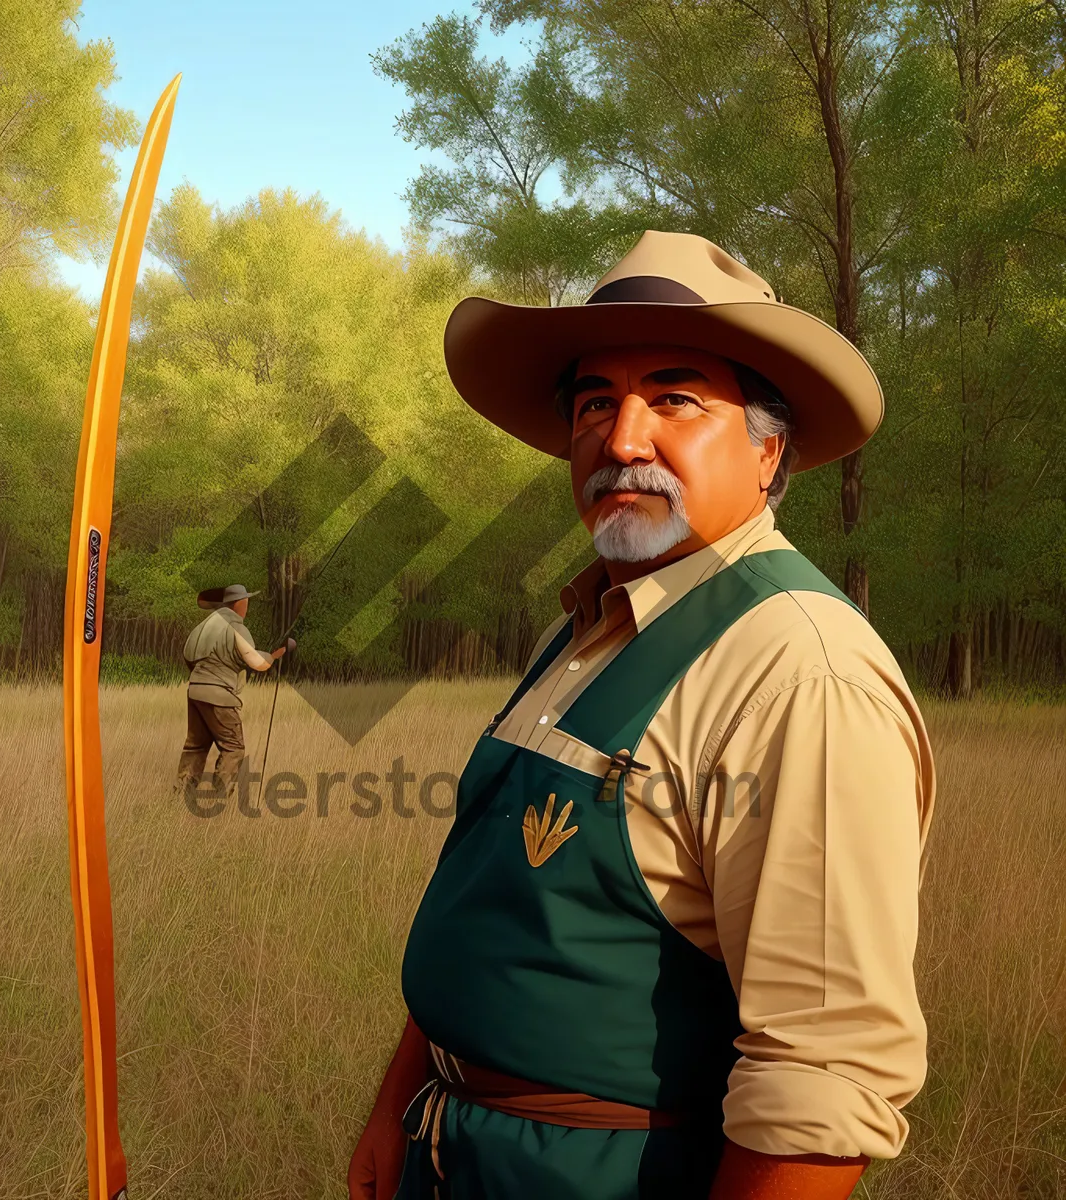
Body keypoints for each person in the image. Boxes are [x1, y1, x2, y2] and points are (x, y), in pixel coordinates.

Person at [348, 232, 937, 1200]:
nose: (621, 439)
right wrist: (395, 1113)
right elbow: (504, 909)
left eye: (673, 398)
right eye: (594, 403)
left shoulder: (799, 671)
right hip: (447, 1158)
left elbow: (822, 1084)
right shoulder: (584, 627)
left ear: (767, 448)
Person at [174, 583, 286, 800]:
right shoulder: (235, 627)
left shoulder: (202, 627)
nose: (247, 607)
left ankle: (181, 795)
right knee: (233, 747)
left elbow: (189, 656)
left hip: (195, 691)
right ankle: (219, 797)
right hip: (219, 694)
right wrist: (272, 657)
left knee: (195, 746)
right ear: (239, 604)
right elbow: (255, 661)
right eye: (246, 603)